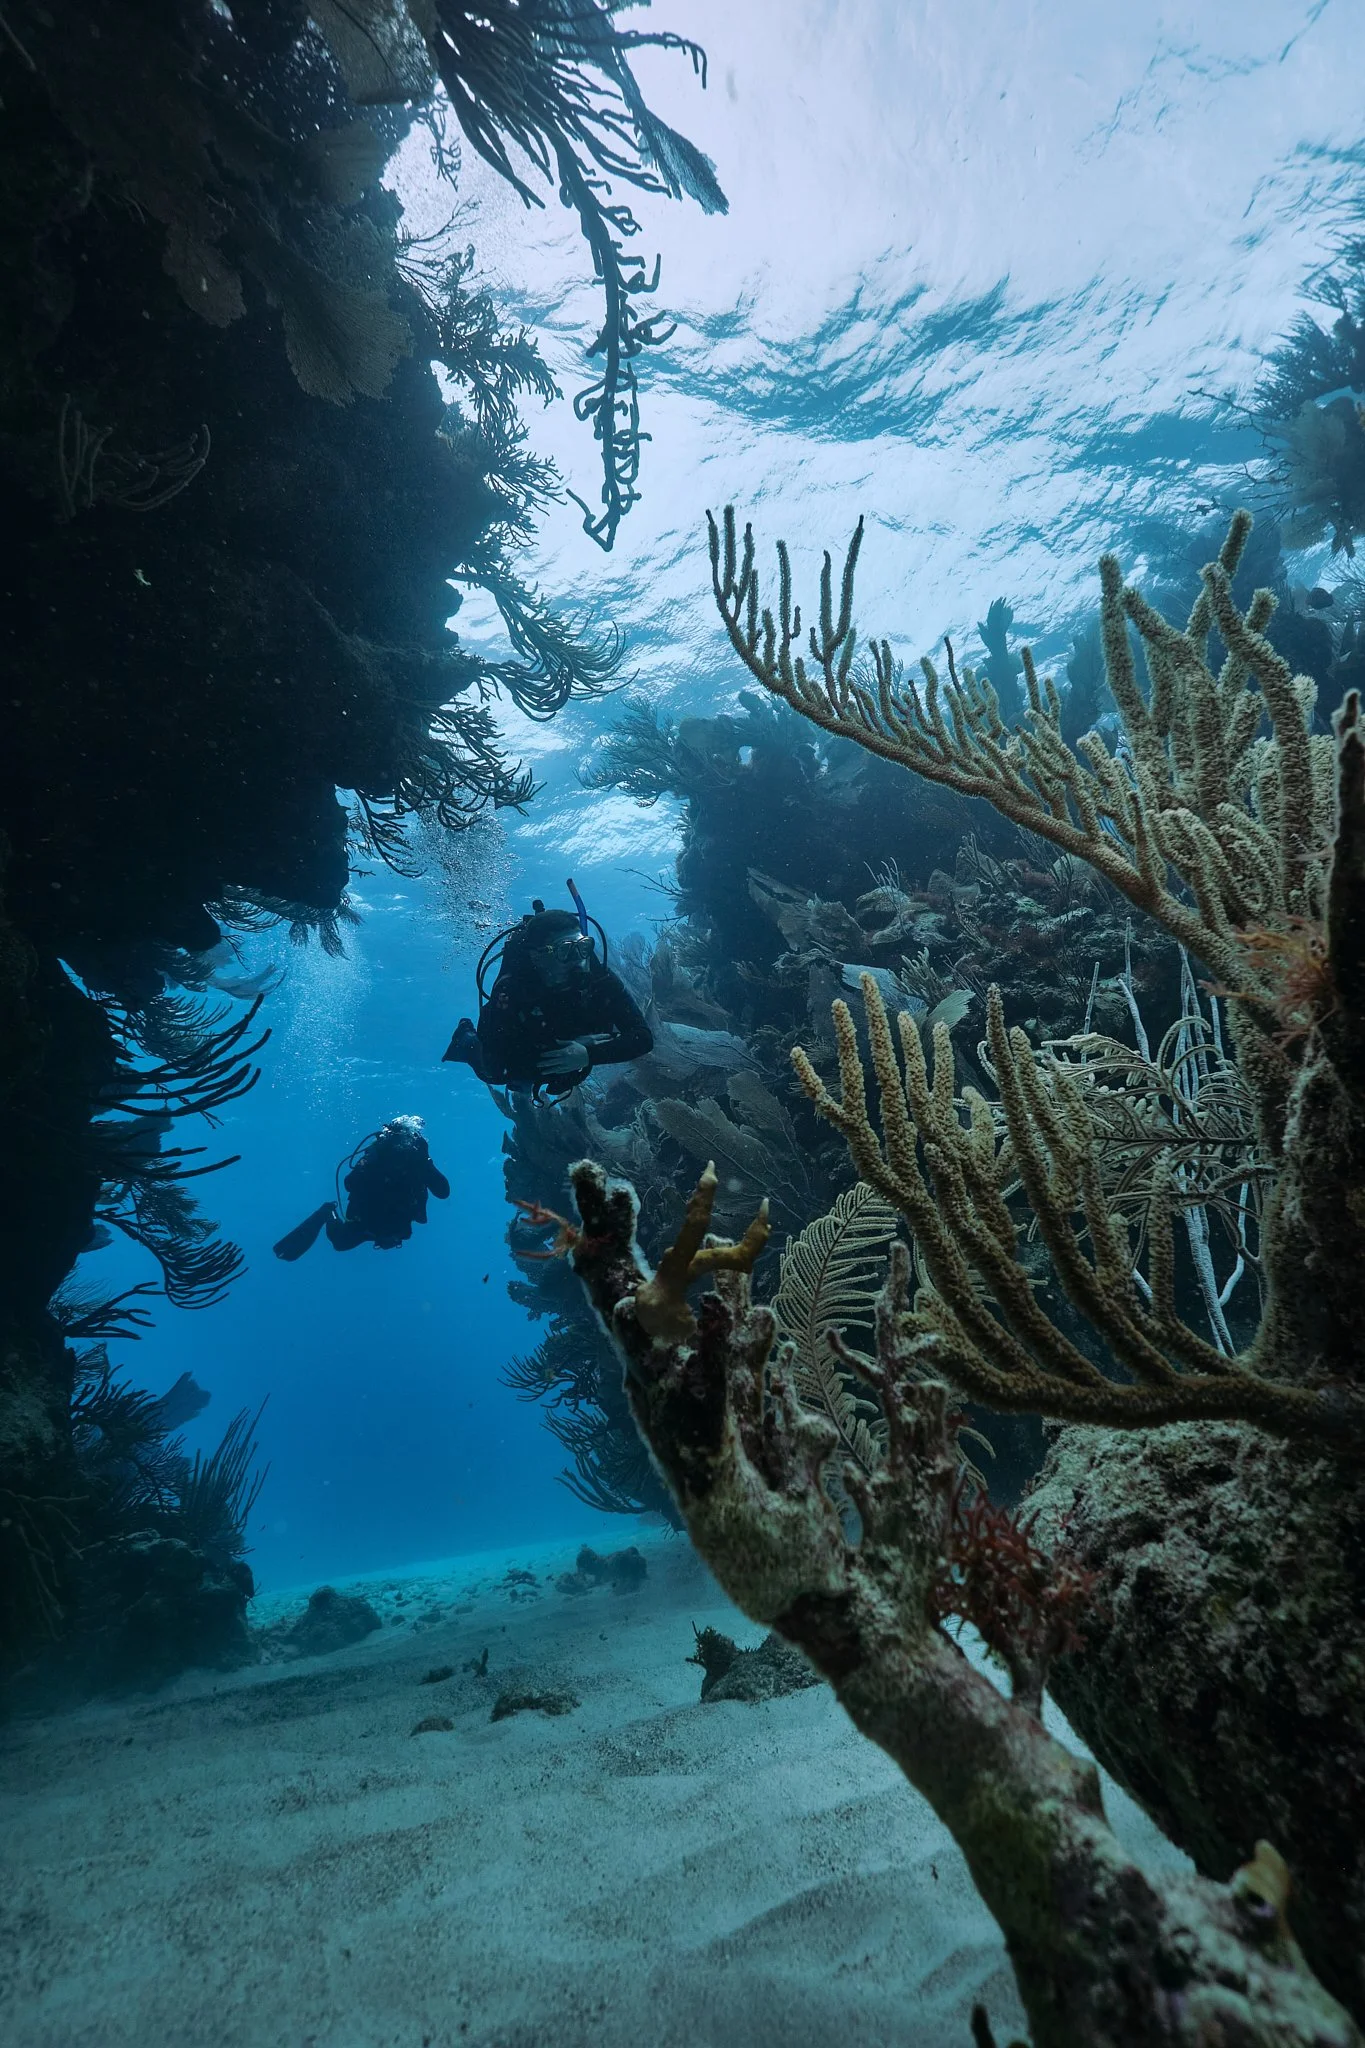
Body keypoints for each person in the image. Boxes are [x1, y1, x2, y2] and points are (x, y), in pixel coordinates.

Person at [442, 894, 652, 1097]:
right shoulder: (512, 991)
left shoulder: (598, 977)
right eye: (565, 950)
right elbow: (503, 1062)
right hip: (519, 1048)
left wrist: (587, 1054)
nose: (578, 959)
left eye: (582, 946)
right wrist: (571, 1051)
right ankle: (465, 1038)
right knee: (493, 1074)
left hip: (569, 1048)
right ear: (537, 956)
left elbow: (642, 1037)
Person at [272, 1116, 450, 1261]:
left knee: (342, 1243)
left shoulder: (418, 1163)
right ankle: (328, 1212)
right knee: (340, 1243)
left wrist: (426, 1164)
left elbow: (443, 1192)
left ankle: (331, 1214)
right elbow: (350, 1183)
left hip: (390, 1224)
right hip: (367, 1220)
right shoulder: (378, 1157)